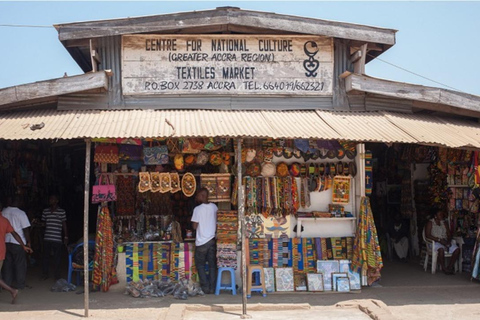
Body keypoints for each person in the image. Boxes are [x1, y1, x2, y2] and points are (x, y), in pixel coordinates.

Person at [0, 212, 33, 303]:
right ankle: (13, 289)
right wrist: (23, 245)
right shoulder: (4, 220)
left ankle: (12, 291)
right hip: (2, 251)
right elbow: (14, 234)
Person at [191, 188, 217, 294]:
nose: (196, 198)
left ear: (202, 196)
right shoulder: (214, 207)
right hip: (211, 240)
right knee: (212, 265)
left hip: (201, 242)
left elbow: (194, 226)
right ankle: (212, 287)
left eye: (198, 195)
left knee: (200, 265)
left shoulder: (197, 209)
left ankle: (205, 288)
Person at [2, 196, 31, 289]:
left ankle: (7, 284)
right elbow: (26, 229)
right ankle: (20, 284)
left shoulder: (3, 211)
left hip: (5, 241)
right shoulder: (21, 213)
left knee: (7, 264)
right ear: (18, 201)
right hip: (18, 242)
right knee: (20, 264)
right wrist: (28, 242)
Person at [41, 194, 68, 280]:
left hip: (57, 238)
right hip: (47, 238)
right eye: (50, 199)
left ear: (57, 201)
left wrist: (66, 236)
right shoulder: (45, 211)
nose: (51, 201)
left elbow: (64, 225)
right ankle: (45, 274)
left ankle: (57, 276)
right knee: (45, 257)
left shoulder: (62, 212)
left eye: (53, 199)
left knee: (57, 258)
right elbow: (44, 224)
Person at [425, 209, 460, 275]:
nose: (442, 216)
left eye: (442, 214)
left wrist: (448, 241)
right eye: (440, 215)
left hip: (445, 241)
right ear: (435, 216)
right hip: (434, 242)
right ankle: (444, 268)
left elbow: (449, 234)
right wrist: (439, 240)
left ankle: (449, 267)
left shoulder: (444, 223)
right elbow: (428, 235)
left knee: (457, 250)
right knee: (441, 250)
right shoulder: (430, 223)